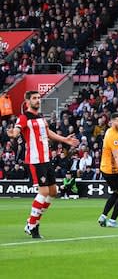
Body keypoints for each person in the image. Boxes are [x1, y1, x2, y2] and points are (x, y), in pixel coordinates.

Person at [7, 90, 79, 238]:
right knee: (44, 192)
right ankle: (32, 225)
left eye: (39, 98)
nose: (38, 100)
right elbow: (17, 130)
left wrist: (65, 140)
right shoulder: (23, 117)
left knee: (53, 192)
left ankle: (32, 221)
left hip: (46, 159)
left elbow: (48, 133)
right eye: (34, 98)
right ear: (27, 102)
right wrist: (13, 133)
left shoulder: (40, 117)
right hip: (35, 160)